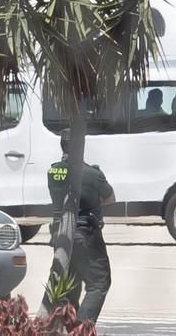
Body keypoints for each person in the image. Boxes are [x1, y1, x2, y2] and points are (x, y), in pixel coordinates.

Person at [47, 128, 115, 323]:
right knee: (99, 283)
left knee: (70, 286)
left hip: (61, 236)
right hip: (86, 235)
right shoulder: (92, 174)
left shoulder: (53, 171)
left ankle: (64, 326)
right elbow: (110, 197)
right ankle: (82, 328)